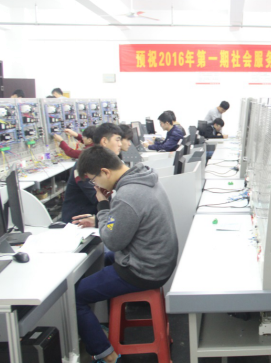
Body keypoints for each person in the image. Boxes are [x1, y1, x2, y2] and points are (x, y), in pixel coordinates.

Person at [74, 146, 178, 363]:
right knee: (98, 262)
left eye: (94, 180)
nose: (95, 185)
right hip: (156, 260)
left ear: (105, 172)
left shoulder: (128, 194)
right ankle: (95, 326)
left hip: (143, 270)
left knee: (75, 296)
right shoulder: (144, 177)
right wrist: (103, 218)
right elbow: (126, 220)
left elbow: (112, 241)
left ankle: (105, 353)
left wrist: (103, 205)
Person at [60, 123, 122, 224]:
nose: (120, 144)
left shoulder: (108, 162)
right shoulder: (86, 164)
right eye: (117, 140)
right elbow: (98, 198)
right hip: (79, 222)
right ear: (104, 141)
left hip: (99, 219)